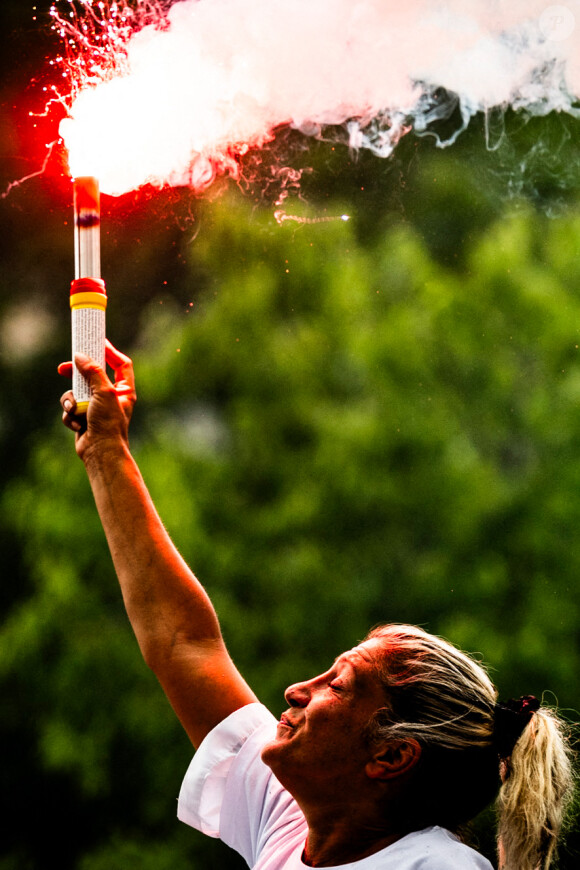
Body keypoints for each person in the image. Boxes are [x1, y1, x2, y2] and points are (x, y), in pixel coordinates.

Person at [59, 344, 575, 870]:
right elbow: (183, 644)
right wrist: (104, 447)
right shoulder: (295, 823)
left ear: (392, 756)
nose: (295, 690)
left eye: (337, 685)